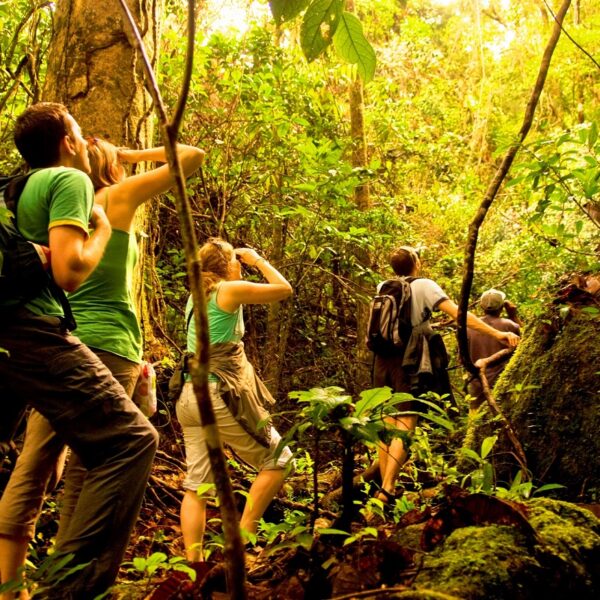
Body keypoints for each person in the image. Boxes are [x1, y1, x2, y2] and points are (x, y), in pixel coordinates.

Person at [0, 133, 204, 598]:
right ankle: (66, 583)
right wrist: (128, 154)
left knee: (43, 463)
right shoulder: (113, 197)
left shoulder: (49, 208)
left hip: (55, 335)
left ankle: (18, 585)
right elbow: (191, 158)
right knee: (98, 462)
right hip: (106, 344)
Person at [371, 246, 520, 506]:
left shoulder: (383, 285)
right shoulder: (425, 285)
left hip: (382, 359)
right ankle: (387, 489)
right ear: (416, 263)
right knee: (406, 419)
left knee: (386, 423)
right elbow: (460, 316)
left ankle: (384, 490)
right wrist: (497, 335)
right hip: (409, 358)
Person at [177, 238, 294, 562]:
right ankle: (243, 541)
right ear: (227, 265)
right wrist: (257, 260)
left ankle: (194, 565)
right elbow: (283, 289)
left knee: (197, 485)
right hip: (216, 396)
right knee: (279, 460)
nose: (239, 266)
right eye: (235, 262)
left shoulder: (195, 297)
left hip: (189, 397)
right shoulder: (227, 290)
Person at [466, 288, 521, 410]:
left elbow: (462, 358)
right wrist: (513, 316)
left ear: (481, 306)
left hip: (476, 383)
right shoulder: (510, 325)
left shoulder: (468, 328)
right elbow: (524, 346)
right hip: (503, 382)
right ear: (502, 307)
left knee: (475, 422)